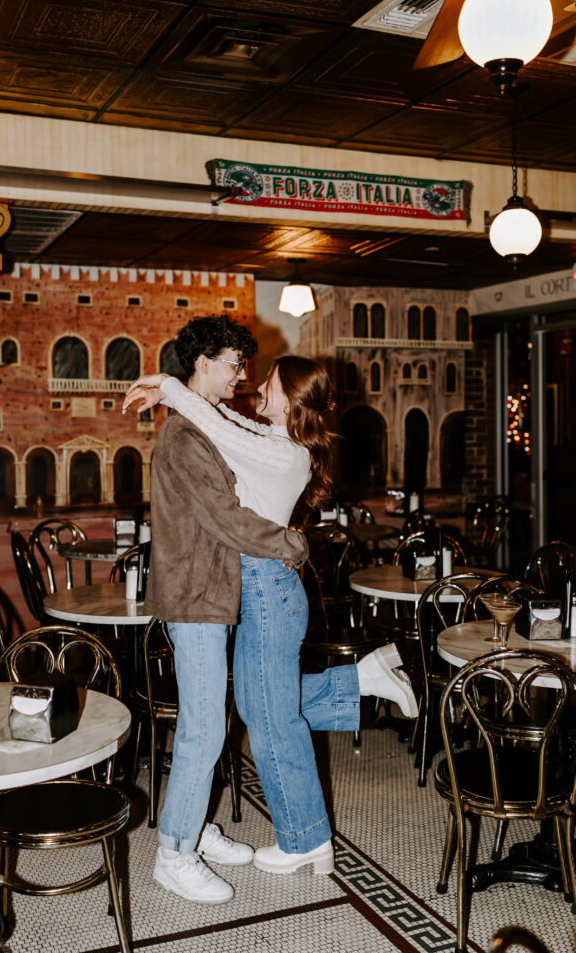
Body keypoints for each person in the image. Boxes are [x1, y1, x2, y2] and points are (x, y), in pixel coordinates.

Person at [124, 344, 417, 881]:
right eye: (240, 368)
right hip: (261, 586)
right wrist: (180, 392)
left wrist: (168, 386)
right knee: (255, 703)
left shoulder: (286, 454)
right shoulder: (275, 438)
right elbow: (226, 421)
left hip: (267, 587)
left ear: (291, 399)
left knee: (269, 715)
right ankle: (362, 680)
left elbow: (226, 431)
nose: (254, 384)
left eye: (270, 382)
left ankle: (305, 840)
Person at [126, 315, 310, 906]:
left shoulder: (200, 424)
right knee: (204, 729)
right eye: (233, 363)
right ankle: (174, 852)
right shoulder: (184, 437)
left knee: (211, 719)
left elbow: (237, 431)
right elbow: (227, 519)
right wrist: (290, 543)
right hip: (196, 595)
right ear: (202, 363)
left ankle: (194, 826)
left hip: (210, 590)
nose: (241, 376)